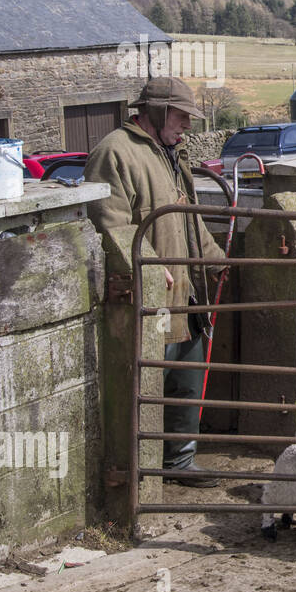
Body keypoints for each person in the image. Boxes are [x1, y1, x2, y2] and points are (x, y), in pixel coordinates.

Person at [85, 76, 228, 488]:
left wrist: (217, 259)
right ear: (160, 110)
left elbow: (188, 218)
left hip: (186, 290)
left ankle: (179, 462)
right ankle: (141, 469)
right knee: (152, 378)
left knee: (187, 376)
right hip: (152, 294)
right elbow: (109, 220)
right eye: (182, 116)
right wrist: (146, 264)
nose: (187, 126)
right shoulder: (115, 152)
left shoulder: (171, 153)